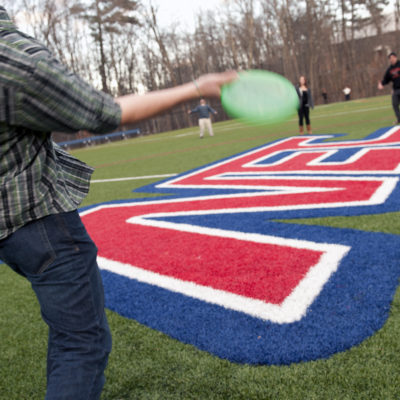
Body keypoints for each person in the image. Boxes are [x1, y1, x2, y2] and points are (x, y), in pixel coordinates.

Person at [0, 6, 237, 400]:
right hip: (34, 219)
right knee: (80, 343)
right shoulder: (14, 59)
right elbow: (103, 113)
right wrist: (197, 87)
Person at [378, 51, 400, 124]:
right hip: (396, 89)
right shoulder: (389, 70)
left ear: (396, 57)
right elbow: (386, 79)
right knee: (395, 104)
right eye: (390, 58)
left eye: (393, 58)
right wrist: (381, 84)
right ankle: (399, 119)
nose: (392, 59)